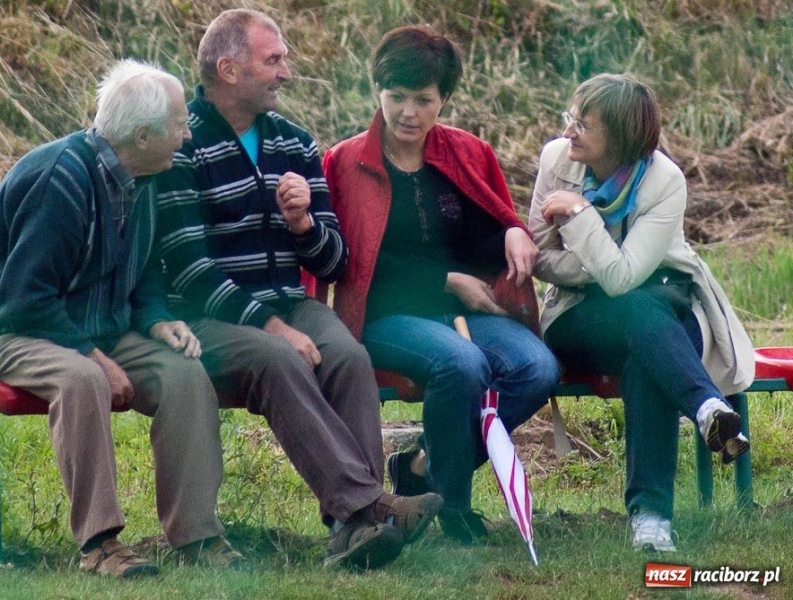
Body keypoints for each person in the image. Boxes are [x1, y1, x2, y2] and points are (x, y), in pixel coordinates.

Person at [154, 9, 443, 570]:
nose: (287, 72)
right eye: (274, 60)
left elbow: (335, 262)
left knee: (346, 355)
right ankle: (368, 512)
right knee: (277, 358)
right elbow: (188, 270)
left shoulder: (292, 143)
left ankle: (349, 531)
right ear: (229, 68)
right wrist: (271, 325)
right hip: (205, 319)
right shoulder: (182, 142)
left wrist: (304, 226)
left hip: (289, 302)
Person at [0, 59, 237, 578]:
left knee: (182, 372)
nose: (187, 131)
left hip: (98, 329)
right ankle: (100, 544)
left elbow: (146, 268)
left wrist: (156, 320)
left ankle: (196, 533)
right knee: (83, 379)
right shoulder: (57, 180)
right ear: (142, 134)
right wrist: (93, 356)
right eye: (180, 124)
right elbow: (23, 300)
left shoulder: (146, 174)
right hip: (13, 333)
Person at [322, 25, 560, 544]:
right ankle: (452, 509)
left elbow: (492, 223)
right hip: (386, 314)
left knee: (536, 368)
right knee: (462, 364)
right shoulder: (346, 163)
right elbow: (351, 263)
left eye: (423, 100)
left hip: (467, 311)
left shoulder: (468, 153)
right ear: (378, 94)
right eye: (396, 97)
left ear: (444, 99)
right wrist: (446, 280)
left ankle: (423, 465)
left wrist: (515, 232)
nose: (409, 112)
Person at [529, 73, 754, 552]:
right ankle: (705, 406)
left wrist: (583, 222)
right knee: (635, 300)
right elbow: (542, 256)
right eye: (570, 118)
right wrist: (603, 253)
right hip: (580, 316)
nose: (568, 132)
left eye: (583, 125)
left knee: (644, 353)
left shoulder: (664, 181)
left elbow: (625, 277)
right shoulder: (556, 159)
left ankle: (651, 522)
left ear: (622, 138)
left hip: (670, 313)